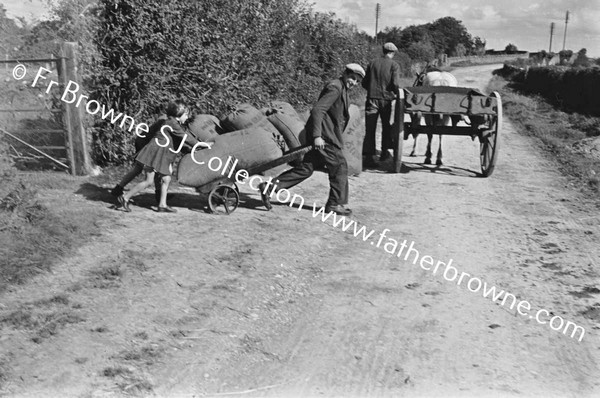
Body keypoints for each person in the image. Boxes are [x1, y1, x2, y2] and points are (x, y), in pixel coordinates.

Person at [258, 63, 365, 216]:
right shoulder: (335, 87)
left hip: (326, 134)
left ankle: (268, 187)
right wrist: (317, 136)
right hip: (324, 136)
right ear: (345, 74)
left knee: (306, 168)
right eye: (352, 78)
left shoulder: (342, 89)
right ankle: (334, 204)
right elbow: (317, 110)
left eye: (356, 81)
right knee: (340, 166)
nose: (353, 83)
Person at [116, 101, 203, 213]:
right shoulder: (172, 124)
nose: (187, 117)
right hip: (154, 153)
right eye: (186, 114)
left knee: (166, 178)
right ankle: (125, 197)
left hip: (159, 153)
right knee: (148, 181)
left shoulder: (172, 123)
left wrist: (193, 148)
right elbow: (185, 138)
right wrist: (201, 144)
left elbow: (180, 142)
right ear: (179, 114)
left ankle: (162, 204)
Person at [111, 113, 167, 204]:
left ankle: (118, 188)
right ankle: (158, 195)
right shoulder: (166, 122)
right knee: (149, 169)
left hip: (143, 141)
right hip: (145, 143)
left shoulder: (164, 119)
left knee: (139, 169)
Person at [362, 42, 401, 167]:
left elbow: (364, 82)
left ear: (383, 51)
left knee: (370, 127)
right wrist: (396, 94)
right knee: (385, 126)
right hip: (386, 100)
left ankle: (369, 157)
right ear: (393, 53)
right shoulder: (394, 65)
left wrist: (371, 90)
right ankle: (384, 153)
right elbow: (395, 83)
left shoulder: (372, 63)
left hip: (372, 98)